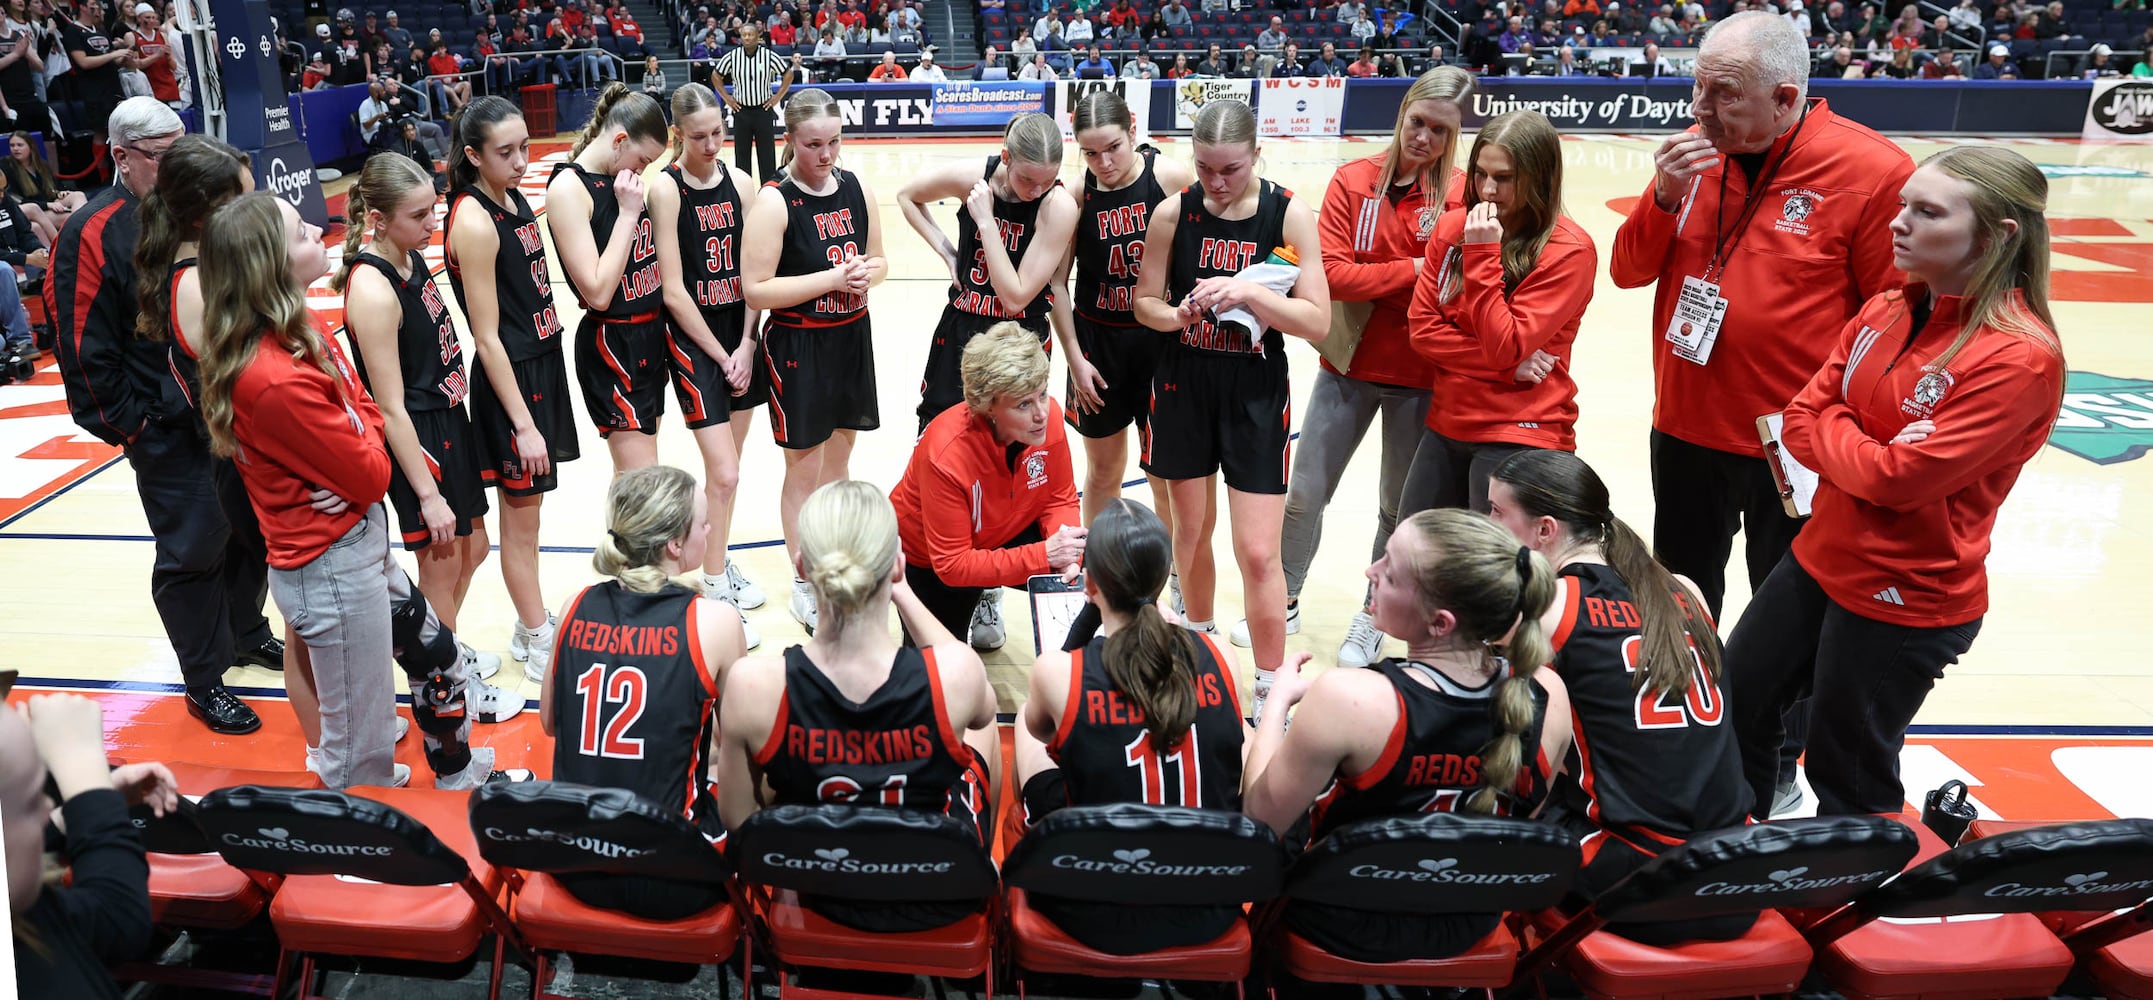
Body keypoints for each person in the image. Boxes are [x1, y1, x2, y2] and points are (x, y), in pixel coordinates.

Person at [1725, 147, 2063, 818]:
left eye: (1926, 211)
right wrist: (1864, 444)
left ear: (1997, 235)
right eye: (1903, 203)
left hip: (1905, 593)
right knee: (1737, 703)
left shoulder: (2019, 358)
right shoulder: (1885, 305)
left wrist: (1846, 434)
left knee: (1845, 769)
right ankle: (1742, 864)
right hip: (1821, 555)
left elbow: (1898, 482)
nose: (1897, 223)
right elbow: (1796, 419)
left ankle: (1852, 904)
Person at [196, 193, 523, 790]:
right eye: (300, 232)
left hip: (358, 543)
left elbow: (364, 405)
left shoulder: (301, 322)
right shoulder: (270, 377)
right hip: (331, 570)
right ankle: (358, 860)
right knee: (361, 747)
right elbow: (374, 472)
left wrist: (356, 432)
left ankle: (456, 774)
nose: (320, 229)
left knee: (438, 658)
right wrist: (362, 444)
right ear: (270, 263)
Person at [1609, 10, 1913, 619]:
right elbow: (1628, 271)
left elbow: (1895, 320)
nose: (1700, 106)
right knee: (1681, 604)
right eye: (1697, 85)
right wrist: (1664, 196)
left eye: (1723, 94)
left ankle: (1771, 719)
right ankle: (1690, 711)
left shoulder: (1873, 171)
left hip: (1794, 442)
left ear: (1784, 99)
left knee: (1786, 613)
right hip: (1685, 426)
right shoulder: (1692, 158)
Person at [1240, 508, 1570, 962]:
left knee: (1244, 748)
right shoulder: (1548, 695)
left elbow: (1258, 824)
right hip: (1467, 924)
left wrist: (1275, 704)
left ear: (1441, 622)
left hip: (1339, 924)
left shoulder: (1352, 698)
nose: (1369, 572)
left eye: (1389, 574)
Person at [50, 99, 280, 735]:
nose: (177, 162)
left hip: (234, 412)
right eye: (160, 154)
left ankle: (245, 631)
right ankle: (203, 682)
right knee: (192, 552)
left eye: (182, 146)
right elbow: (83, 347)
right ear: (121, 157)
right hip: (168, 429)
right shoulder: (94, 231)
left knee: (247, 532)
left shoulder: (198, 208)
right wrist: (136, 428)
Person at [1486, 450, 1754, 945]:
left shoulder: (1544, 607)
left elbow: (1518, 764)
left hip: (1641, 880)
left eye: (1496, 512)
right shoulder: (1684, 589)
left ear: (1545, 531)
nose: (1486, 524)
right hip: (1737, 873)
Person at [715, 479, 999, 931]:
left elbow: (738, 819)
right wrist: (902, 590)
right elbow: (972, 681)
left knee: (764, 754)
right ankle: (980, 859)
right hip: (934, 888)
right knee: (982, 722)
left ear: (802, 566)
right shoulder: (957, 673)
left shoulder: (754, 684)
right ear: (896, 567)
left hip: (817, 889)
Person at [1262, 67, 1473, 669]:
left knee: (1395, 510)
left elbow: (1454, 289)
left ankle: (1371, 618)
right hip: (1346, 364)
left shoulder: (1460, 194)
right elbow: (1331, 275)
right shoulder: (1353, 180)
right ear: (1401, 113)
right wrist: (1416, 269)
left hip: (1423, 374)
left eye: (1440, 130)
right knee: (1304, 494)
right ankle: (1285, 597)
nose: (1424, 138)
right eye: (1417, 122)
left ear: (1456, 134)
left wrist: (1383, 274)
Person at [1132, 99, 1330, 725]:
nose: (1216, 182)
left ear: (1257, 155)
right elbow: (1145, 305)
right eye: (1205, 168)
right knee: (1189, 534)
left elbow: (1318, 321)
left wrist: (1247, 290)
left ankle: (1271, 686)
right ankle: (1198, 651)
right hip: (1184, 381)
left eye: (1231, 169)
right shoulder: (1172, 212)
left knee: (1257, 551)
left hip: (1254, 388)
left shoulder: (1287, 214)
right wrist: (1179, 314)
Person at [1012, 499, 1250, 953]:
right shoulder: (1221, 654)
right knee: (1245, 736)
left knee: (1030, 723)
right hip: (1206, 905)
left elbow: (1045, 726)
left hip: (1088, 909)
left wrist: (1091, 608)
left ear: (1091, 584)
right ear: (1163, 580)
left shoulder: (1058, 672)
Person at [540, 464, 747, 920]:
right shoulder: (714, 620)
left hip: (577, 865)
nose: (710, 528)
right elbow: (736, 747)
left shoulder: (574, 605)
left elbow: (550, 723)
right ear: (675, 545)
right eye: (702, 522)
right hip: (674, 878)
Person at [334, 152, 499, 682]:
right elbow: (388, 408)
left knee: (474, 546)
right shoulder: (373, 289)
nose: (434, 224)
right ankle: (445, 680)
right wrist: (427, 496)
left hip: (449, 420)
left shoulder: (410, 254)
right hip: (419, 437)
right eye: (419, 215)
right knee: (442, 563)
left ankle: (443, 648)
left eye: (435, 209)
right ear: (377, 219)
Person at [741, 88, 887, 635]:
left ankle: (835, 563)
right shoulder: (776, 200)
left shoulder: (856, 188)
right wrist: (831, 278)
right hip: (798, 345)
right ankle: (804, 581)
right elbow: (755, 290)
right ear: (789, 140)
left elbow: (881, 260)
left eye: (834, 142)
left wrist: (865, 276)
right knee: (803, 470)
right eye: (814, 144)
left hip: (851, 335)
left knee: (841, 462)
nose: (826, 155)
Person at [1401, 110, 1595, 515]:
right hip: (1447, 421)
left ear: (1539, 177)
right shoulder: (1452, 227)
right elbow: (1422, 332)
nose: (1488, 190)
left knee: (1492, 573)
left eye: (1504, 178)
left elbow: (1504, 343)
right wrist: (1507, 367)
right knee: (1414, 557)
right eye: (1480, 174)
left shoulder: (1568, 251)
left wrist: (1482, 253)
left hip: (1524, 430)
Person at [445, 97, 576, 686]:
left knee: (534, 520)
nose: (522, 161)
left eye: (525, 147)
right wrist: (522, 423)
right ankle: (538, 634)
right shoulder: (472, 220)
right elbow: (487, 338)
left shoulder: (513, 196)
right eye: (507, 152)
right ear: (472, 156)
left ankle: (530, 627)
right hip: (512, 382)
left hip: (540, 367)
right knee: (518, 527)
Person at [648, 83, 768, 648]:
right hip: (696, 341)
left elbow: (753, 276)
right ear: (677, 135)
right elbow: (672, 290)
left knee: (731, 469)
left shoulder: (741, 183)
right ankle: (711, 581)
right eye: (700, 137)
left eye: (718, 132)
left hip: (740, 335)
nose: (713, 144)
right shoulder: (666, 191)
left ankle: (717, 567)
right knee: (723, 472)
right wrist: (722, 354)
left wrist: (747, 341)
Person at [888, 321, 1084, 644]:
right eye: (1023, 404)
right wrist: (1043, 555)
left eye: (1043, 394)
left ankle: (991, 592)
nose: (1041, 414)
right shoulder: (945, 454)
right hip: (932, 561)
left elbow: (1058, 499)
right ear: (988, 407)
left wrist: (1069, 557)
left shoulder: (1047, 425)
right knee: (939, 676)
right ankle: (984, 590)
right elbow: (952, 564)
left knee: (1102, 569)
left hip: (1002, 528)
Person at [1057, 89, 1196, 541]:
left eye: (1114, 147)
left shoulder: (1170, 178)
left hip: (1160, 343)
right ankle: (1100, 574)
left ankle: (1173, 577)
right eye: (1091, 153)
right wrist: (1075, 360)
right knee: (1102, 473)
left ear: (1133, 130)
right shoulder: (1078, 194)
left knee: (1163, 475)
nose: (1104, 162)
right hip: (1098, 346)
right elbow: (1057, 284)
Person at [897, 111, 1076, 435]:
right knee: (940, 433)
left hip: (1020, 336)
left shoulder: (1059, 206)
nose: (1036, 191)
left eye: (1047, 180)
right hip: (963, 323)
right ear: (1006, 157)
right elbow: (908, 196)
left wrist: (985, 222)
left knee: (1011, 442)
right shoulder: (976, 177)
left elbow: (1015, 298)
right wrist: (947, 252)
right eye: (1027, 180)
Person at [4, 693, 176, 998]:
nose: (48, 808)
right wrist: (86, 780)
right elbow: (121, 918)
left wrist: (93, 803)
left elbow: (108, 916)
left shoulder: (20, 915)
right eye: (30, 802)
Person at [546, 83, 670, 473]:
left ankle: (622, 537)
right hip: (613, 342)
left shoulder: (618, 182)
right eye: (642, 160)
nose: (642, 171)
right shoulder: (568, 188)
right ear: (619, 140)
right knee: (640, 480)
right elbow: (598, 292)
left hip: (650, 333)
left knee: (636, 478)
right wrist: (630, 214)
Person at [713, 20, 792, 180]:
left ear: (758, 37)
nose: (747, 38)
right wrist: (727, 98)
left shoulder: (767, 55)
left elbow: (788, 74)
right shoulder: (732, 56)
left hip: (763, 110)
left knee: (767, 155)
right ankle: (744, 190)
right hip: (741, 110)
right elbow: (716, 75)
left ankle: (768, 190)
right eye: (744, 35)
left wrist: (777, 97)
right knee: (741, 155)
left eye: (750, 35)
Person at [58, 0, 126, 136]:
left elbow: (114, 60)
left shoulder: (100, 30)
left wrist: (125, 56)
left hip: (113, 88)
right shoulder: (72, 31)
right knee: (101, 133)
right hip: (94, 91)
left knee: (119, 131)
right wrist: (113, 55)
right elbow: (83, 62)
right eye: (92, 4)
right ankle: (100, 158)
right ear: (82, 7)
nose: (96, 7)